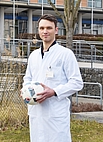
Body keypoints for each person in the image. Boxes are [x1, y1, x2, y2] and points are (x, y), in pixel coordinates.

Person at [22, 14, 83, 142]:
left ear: (56, 30)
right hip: (36, 112)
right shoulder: (33, 56)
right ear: (38, 30)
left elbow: (77, 82)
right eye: (42, 28)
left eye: (49, 28)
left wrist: (54, 92)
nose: (45, 31)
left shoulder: (65, 54)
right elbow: (27, 78)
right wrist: (25, 90)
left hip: (56, 113)